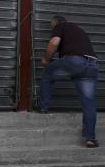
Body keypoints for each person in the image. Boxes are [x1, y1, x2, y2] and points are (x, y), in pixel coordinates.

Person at [38, 16, 100, 148]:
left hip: (75, 61)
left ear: (55, 23)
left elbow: (54, 43)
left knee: (47, 73)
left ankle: (43, 108)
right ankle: (90, 138)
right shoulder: (78, 30)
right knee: (89, 102)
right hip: (92, 65)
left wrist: (46, 59)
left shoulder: (60, 26)